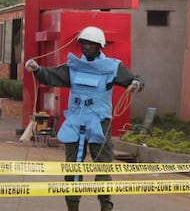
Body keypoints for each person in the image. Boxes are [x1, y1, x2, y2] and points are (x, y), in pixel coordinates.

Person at [25, 26, 144, 211]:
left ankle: (106, 206)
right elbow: (50, 76)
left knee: (103, 168)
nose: (86, 47)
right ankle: (72, 207)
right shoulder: (74, 67)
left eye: (90, 44)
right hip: (75, 122)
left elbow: (134, 79)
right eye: (83, 43)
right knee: (72, 169)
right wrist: (37, 69)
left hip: (99, 123)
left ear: (99, 46)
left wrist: (136, 84)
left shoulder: (112, 67)